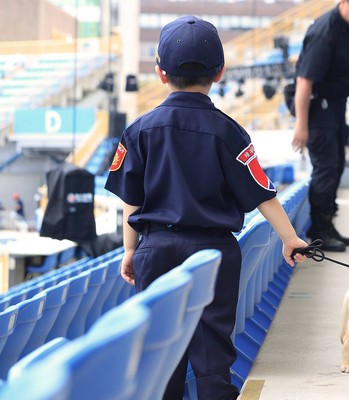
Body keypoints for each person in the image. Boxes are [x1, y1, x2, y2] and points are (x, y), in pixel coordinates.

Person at [104, 16, 308, 400]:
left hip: (156, 250)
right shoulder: (229, 131)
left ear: (161, 74)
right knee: (213, 354)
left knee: (161, 355)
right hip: (214, 252)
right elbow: (261, 192)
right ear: (220, 72)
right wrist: (290, 238)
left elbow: (131, 199)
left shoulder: (138, 130)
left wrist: (131, 250)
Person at [291, 0, 349, 252]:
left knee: (338, 165)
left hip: (338, 104)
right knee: (326, 168)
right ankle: (319, 230)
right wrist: (301, 126)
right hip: (317, 107)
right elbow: (304, 82)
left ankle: (328, 223)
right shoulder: (324, 32)